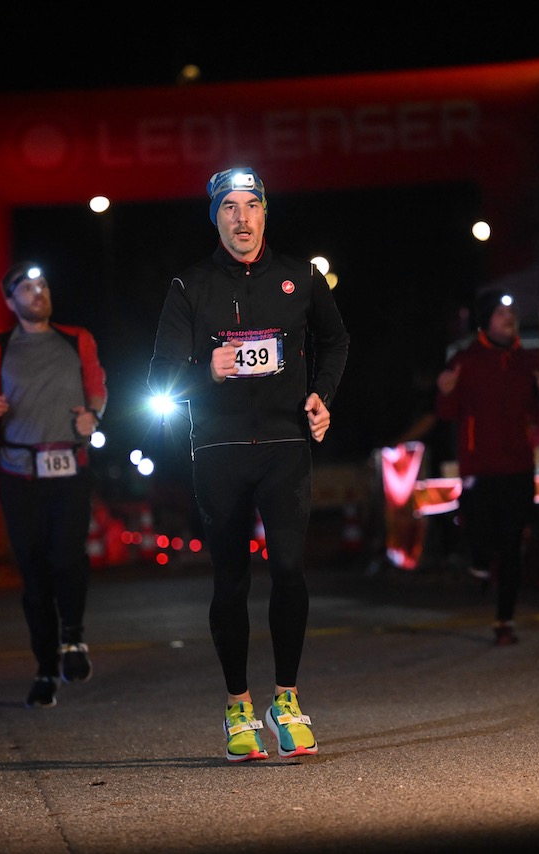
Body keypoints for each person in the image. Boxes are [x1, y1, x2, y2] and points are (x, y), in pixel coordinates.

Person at [147, 166, 350, 762]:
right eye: (229, 207)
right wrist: (206, 371)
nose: (242, 218)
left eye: (251, 206)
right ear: (215, 216)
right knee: (230, 578)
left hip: (286, 446)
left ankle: (285, 702)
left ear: (266, 212)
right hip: (219, 449)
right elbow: (160, 377)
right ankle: (238, 707)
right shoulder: (190, 285)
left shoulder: (301, 277)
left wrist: (322, 395)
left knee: (289, 570)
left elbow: (336, 341)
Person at [0, 263, 108, 708]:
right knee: (35, 576)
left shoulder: (76, 338)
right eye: (27, 287)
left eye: (43, 285)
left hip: (69, 467)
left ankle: (74, 641)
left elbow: (98, 386)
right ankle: (45, 669)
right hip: (19, 474)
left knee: (68, 557)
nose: (38, 292)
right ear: (10, 301)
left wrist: (93, 415)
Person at [436, 289, 539, 645]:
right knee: (480, 530)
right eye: (502, 314)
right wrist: (445, 391)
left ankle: (505, 620)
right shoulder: (465, 359)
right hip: (480, 466)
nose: (510, 319)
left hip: (518, 465)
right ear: (486, 320)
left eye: (512, 314)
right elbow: (447, 413)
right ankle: (478, 564)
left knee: (513, 545)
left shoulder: (528, 360)